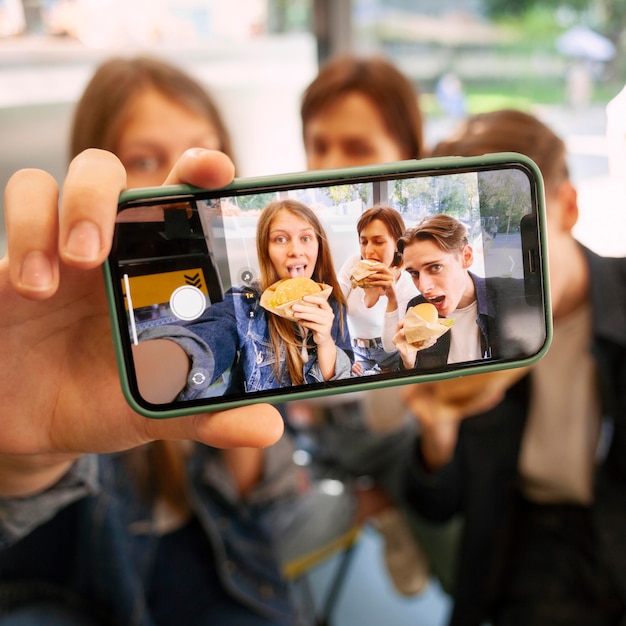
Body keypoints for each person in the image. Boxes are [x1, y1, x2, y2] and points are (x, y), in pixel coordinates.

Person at [0, 56, 299, 626]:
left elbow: (273, 504)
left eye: (201, 151)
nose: (179, 180)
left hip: (234, 583)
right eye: (143, 160)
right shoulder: (58, 328)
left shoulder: (248, 304)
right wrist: (21, 467)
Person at [403, 109, 626, 626]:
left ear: (567, 207)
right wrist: (437, 437)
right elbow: (438, 503)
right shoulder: (456, 330)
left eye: (513, 229)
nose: (500, 262)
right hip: (522, 545)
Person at [287, 53, 458, 597]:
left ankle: (392, 510)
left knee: (449, 550)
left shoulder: (418, 263)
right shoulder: (306, 231)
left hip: (392, 425)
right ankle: (379, 509)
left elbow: (411, 365)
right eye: (319, 144)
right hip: (311, 427)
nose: (331, 162)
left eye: (357, 148)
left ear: (406, 154)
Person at [137, 198, 353, 401]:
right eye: (280, 239)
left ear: (318, 246)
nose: (295, 250)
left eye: (305, 238)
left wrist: (324, 342)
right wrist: (159, 369)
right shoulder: (246, 303)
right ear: (266, 250)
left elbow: (343, 382)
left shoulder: (334, 303)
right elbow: (211, 336)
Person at [388, 213, 531, 371]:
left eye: (435, 267)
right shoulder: (416, 309)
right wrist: (408, 363)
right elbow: (418, 386)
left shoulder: (517, 296)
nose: (423, 287)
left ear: (466, 257)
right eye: (414, 273)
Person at [337, 205, 418, 375]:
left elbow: (391, 345)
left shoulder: (407, 283)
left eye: (378, 242)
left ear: (397, 244)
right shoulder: (353, 265)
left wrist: (391, 298)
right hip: (356, 350)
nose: (368, 251)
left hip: (390, 354)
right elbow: (333, 308)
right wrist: (343, 356)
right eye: (363, 241)